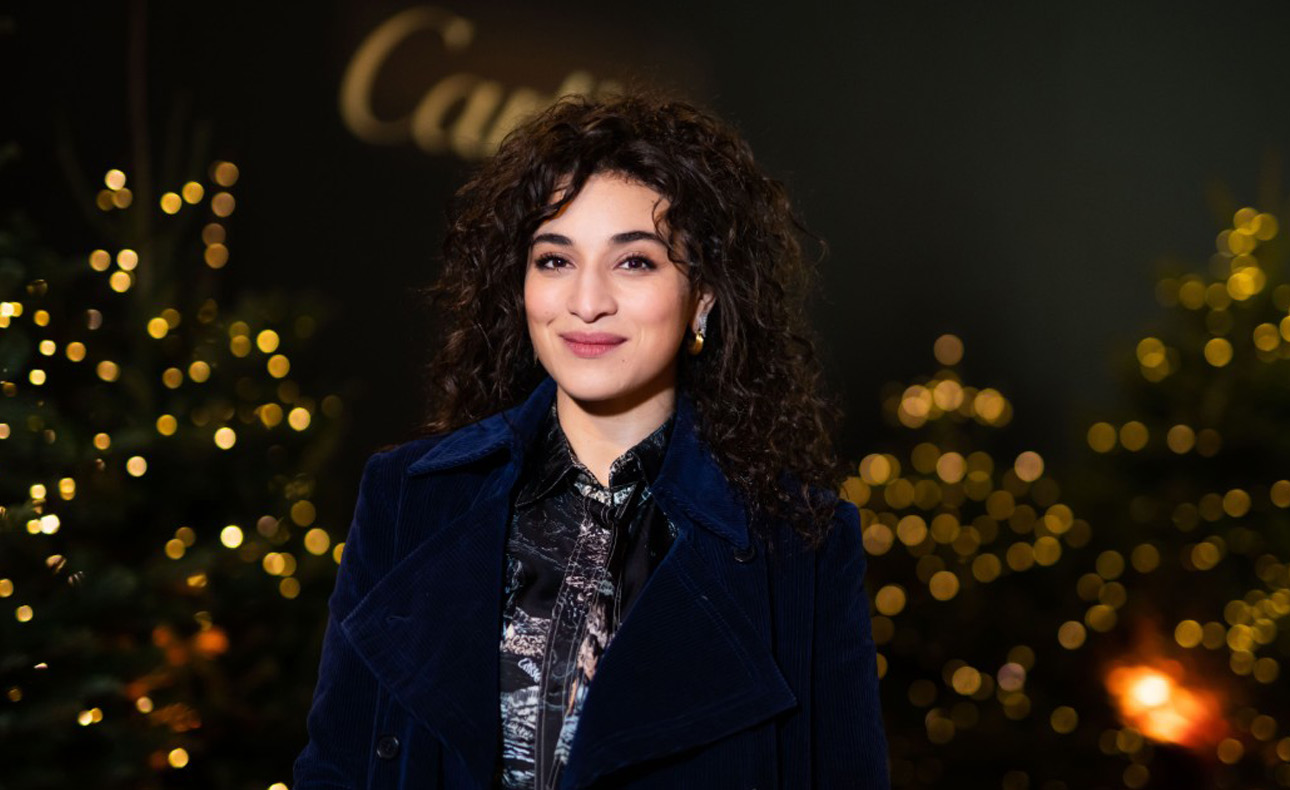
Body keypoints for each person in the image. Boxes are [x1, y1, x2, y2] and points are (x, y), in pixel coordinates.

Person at [293, 91, 889, 790]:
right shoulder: (408, 495)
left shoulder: (801, 543)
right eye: (554, 260)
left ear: (703, 295)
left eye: (634, 262)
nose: (586, 302)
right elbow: (334, 768)